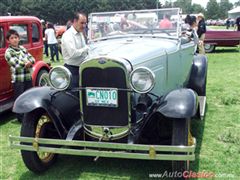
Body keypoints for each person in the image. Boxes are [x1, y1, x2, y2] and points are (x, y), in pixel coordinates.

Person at [5, 29, 35, 121]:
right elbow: (16, 64)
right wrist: (26, 63)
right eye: (12, 38)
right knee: (19, 98)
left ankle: (29, 115)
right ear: (8, 40)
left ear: (19, 39)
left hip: (27, 77)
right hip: (18, 79)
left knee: (29, 96)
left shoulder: (22, 49)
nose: (14, 40)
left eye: (16, 37)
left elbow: (32, 59)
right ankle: (20, 118)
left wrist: (29, 62)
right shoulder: (9, 52)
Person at [61, 12, 89, 93]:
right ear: (75, 21)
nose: (84, 26)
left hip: (82, 68)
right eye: (82, 23)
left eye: (85, 23)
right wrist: (86, 49)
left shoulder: (80, 33)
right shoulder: (68, 35)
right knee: (74, 95)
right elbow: (73, 53)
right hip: (72, 70)